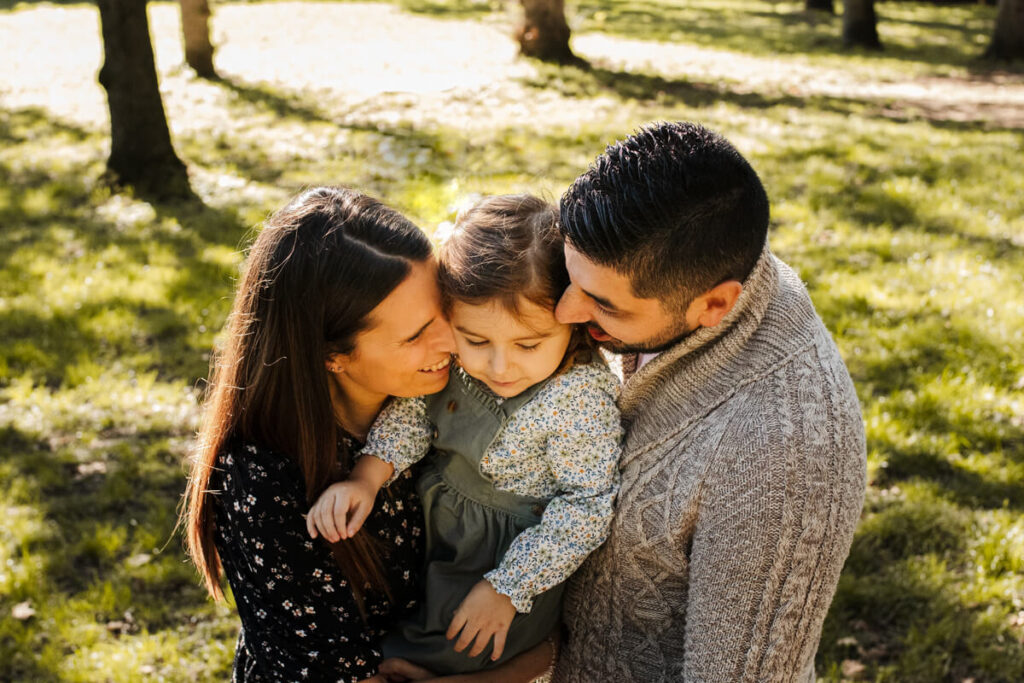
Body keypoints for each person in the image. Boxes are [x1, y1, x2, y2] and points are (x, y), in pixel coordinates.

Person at [181, 187, 554, 682]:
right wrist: (533, 662)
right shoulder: (262, 481)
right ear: (331, 356)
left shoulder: (450, 398)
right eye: (414, 334)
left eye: (442, 308)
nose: (450, 339)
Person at [551, 122, 867, 681]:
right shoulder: (683, 264)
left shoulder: (784, 453)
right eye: (567, 275)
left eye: (602, 304)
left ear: (714, 305)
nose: (565, 312)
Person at [307, 195, 622, 676]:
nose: (498, 366)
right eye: (475, 341)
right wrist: (367, 478)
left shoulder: (577, 399)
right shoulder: (455, 360)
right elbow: (415, 414)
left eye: (528, 344)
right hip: (439, 540)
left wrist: (506, 587)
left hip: (506, 564)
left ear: (569, 319)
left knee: (455, 654)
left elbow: (587, 505)